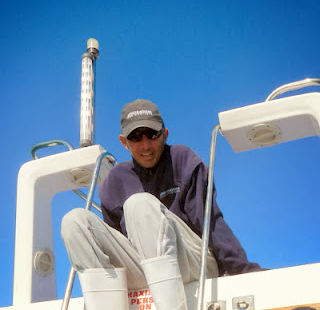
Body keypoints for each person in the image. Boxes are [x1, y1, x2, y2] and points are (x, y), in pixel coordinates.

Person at [61, 99, 261, 310]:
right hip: (147, 269)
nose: (146, 145)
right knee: (74, 222)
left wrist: (244, 270)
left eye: (152, 134)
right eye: (136, 137)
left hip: (194, 261)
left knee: (139, 204)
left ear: (165, 134)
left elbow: (210, 222)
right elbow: (114, 247)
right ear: (124, 141)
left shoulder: (182, 159)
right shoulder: (114, 182)